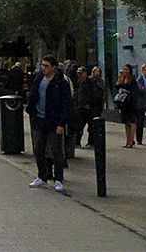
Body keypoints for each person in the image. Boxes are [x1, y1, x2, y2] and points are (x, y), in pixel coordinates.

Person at [26, 55, 72, 191]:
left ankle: (58, 179)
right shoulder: (38, 79)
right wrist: (32, 113)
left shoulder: (60, 82)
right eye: (42, 66)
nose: (43, 69)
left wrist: (62, 123)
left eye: (46, 66)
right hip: (39, 119)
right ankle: (42, 176)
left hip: (54, 121)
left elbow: (66, 103)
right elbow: (34, 96)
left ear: (54, 67)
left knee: (56, 150)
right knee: (38, 149)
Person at [73, 66, 104, 148]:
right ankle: (77, 142)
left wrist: (89, 104)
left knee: (91, 127)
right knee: (79, 126)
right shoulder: (79, 82)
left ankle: (91, 143)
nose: (79, 75)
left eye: (81, 73)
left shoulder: (91, 82)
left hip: (90, 109)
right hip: (81, 108)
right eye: (78, 74)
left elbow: (94, 95)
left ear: (85, 73)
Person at [116, 64, 139, 148]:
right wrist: (120, 78)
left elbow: (134, 91)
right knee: (126, 122)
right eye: (124, 69)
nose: (124, 71)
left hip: (131, 103)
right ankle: (127, 140)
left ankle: (131, 140)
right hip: (124, 103)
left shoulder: (132, 80)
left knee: (131, 122)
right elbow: (117, 87)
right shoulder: (123, 79)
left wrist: (127, 91)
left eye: (126, 69)